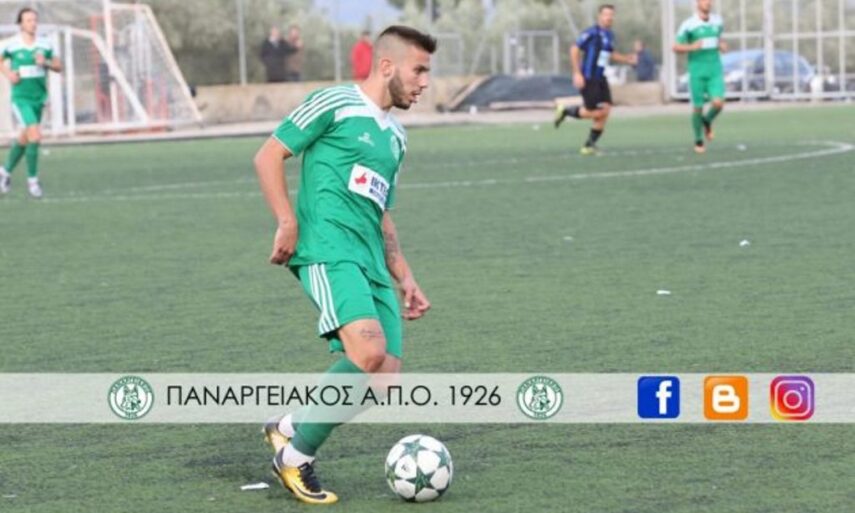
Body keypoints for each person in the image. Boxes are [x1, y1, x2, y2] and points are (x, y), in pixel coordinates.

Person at [252, 25, 436, 505]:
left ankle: (288, 426)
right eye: (419, 70)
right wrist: (287, 221)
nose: (424, 83)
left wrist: (405, 275)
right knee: (368, 351)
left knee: (384, 378)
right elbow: (269, 155)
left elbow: (382, 213)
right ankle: (294, 458)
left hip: (371, 260)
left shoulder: (396, 138)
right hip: (328, 249)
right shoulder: (334, 103)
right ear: (387, 66)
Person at [553, 4, 637, 155]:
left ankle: (589, 146)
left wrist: (626, 59)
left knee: (606, 110)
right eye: (606, 14)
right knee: (598, 112)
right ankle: (565, 111)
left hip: (601, 77)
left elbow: (609, 53)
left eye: (611, 15)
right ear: (600, 16)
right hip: (589, 77)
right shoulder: (591, 33)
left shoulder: (609, 35)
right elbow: (574, 49)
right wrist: (577, 73)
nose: (609, 17)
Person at [0, 7, 62, 199]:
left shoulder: (45, 44)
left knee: (25, 137)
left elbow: (58, 66)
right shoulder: (11, 44)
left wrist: (45, 63)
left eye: (34, 20)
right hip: (21, 99)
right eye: (28, 20)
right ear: (20, 24)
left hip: (39, 98)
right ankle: (33, 181)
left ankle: (4, 172)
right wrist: (9, 74)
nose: (32, 23)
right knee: (35, 135)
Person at [673, 0, 727, 154]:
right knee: (698, 107)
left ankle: (707, 121)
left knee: (718, 103)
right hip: (697, 71)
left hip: (714, 70)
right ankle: (698, 139)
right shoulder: (689, 24)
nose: (707, 2)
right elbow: (676, 47)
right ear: (697, 2)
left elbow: (720, 40)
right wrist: (692, 46)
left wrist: (722, 46)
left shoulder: (718, 21)